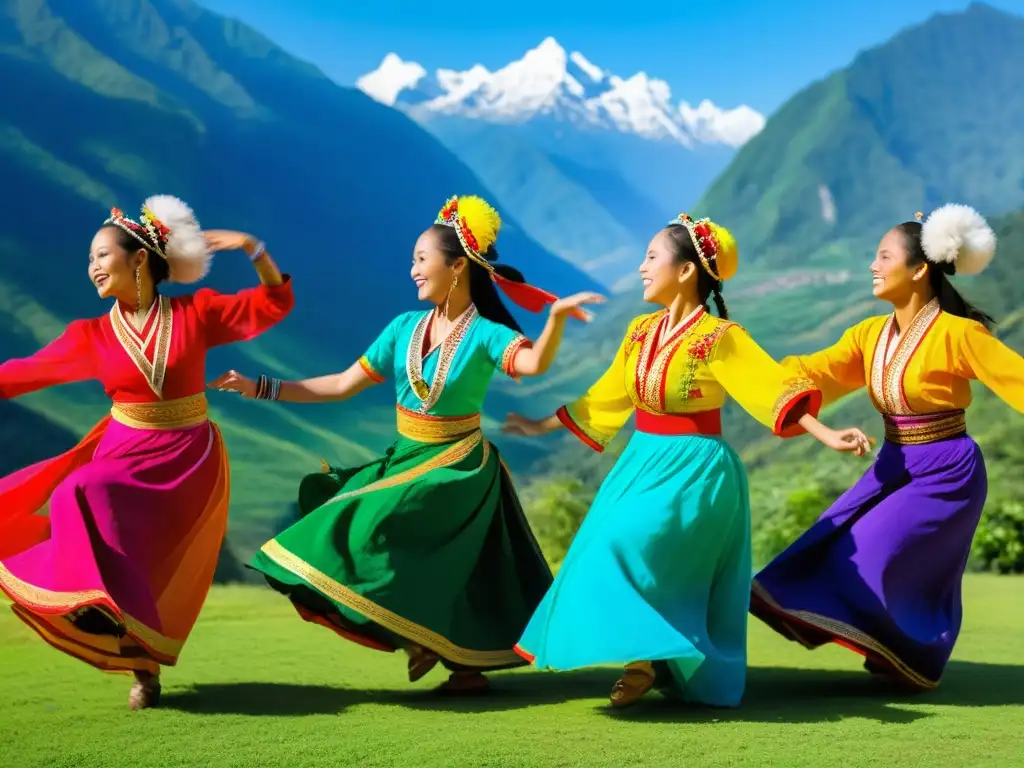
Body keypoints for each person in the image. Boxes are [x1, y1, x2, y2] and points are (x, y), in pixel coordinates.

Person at [211, 194, 603, 694]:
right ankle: (445, 656)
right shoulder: (402, 329)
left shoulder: (485, 334)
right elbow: (340, 384)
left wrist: (556, 322)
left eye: (422, 259)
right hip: (410, 457)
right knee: (380, 539)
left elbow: (533, 366)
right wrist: (261, 386)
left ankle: (445, 653)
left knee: (387, 531)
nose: (413, 270)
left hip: (458, 467)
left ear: (457, 266)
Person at [502, 213, 870, 709]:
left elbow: (769, 387)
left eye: (652, 257)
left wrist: (827, 433)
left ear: (686, 270)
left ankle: (643, 661)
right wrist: (538, 425)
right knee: (600, 551)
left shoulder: (720, 337)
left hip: (698, 470)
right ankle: (650, 658)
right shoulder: (638, 331)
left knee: (631, 546)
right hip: (640, 462)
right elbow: (605, 399)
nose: (641, 267)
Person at [0, 196, 294, 710]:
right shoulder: (89, 336)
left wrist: (255, 247)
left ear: (138, 260)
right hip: (121, 449)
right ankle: (113, 629)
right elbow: (21, 373)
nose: (91, 266)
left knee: (127, 537)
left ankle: (129, 639)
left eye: (100, 255)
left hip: (187, 453)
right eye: (89, 258)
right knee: (79, 489)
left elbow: (272, 305)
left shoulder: (196, 312)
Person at [750, 203, 1018, 691]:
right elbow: (818, 371)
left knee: (872, 557)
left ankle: (910, 655)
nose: (873, 266)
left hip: (946, 472)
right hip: (893, 463)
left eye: (883, 256)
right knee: (837, 546)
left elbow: (1016, 379)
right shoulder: (868, 335)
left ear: (918, 270)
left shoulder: (960, 334)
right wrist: (752, 369)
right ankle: (892, 655)